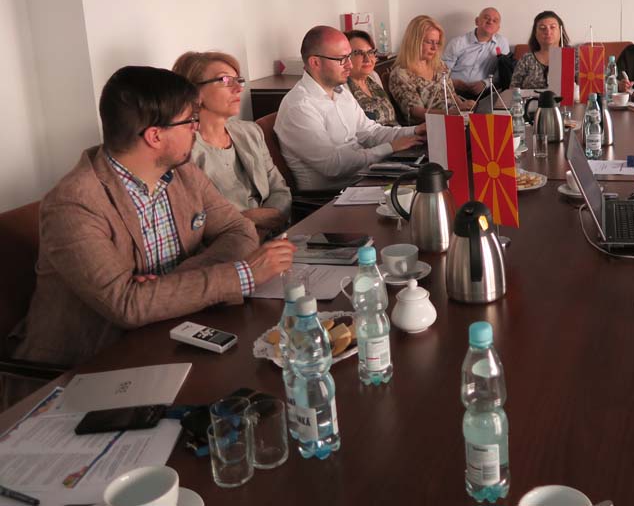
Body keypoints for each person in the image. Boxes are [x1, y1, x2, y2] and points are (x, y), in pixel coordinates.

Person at [10, 66, 296, 367]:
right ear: (155, 136)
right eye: (189, 121)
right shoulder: (73, 204)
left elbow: (239, 231)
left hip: (176, 332)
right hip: (92, 363)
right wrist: (242, 275)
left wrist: (164, 287)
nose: (196, 128)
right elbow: (127, 305)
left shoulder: (183, 172)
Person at [276, 26, 424, 190]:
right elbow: (333, 166)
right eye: (342, 59)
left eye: (349, 57)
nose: (349, 65)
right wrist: (390, 148)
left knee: (428, 175)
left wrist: (415, 131)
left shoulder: (340, 92)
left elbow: (370, 132)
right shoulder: (299, 106)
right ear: (315, 62)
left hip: (363, 179)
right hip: (330, 197)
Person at [172, 51, 291, 238]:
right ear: (194, 92)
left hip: (275, 235)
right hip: (226, 245)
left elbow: (279, 190)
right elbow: (196, 219)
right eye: (225, 80)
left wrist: (269, 220)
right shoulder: (182, 152)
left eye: (239, 80)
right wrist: (248, 223)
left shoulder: (250, 132)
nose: (238, 89)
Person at [388, 15, 475, 124]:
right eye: (429, 42)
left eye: (437, 42)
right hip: (430, 127)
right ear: (414, 41)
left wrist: (464, 107)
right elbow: (416, 113)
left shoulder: (439, 65)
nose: (434, 48)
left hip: (456, 120)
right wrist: (453, 113)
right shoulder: (400, 74)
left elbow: (452, 95)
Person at [442, 7, 511, 98]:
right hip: (453, 91)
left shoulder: (502, 43)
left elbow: (503, 73)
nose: (490, 22)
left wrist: (485, 83)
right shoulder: (458, 42)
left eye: (495, 21)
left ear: (498, 28)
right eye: (486, 18)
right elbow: (442, 71)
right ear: (477, 21)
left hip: (485, 94)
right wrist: (452, 83)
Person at [345, 30, 400, 126]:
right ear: (345, 57)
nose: (367, 59)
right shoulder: (343, 87)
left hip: (397, 131)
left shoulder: (373, 76)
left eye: (370, 52)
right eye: (359, 53)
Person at [510, 10, 575, 90]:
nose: (548, 31)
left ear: (561, 31)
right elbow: (513, 89)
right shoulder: (526, 59)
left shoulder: (573, 56)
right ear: (535, 33)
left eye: (552, 27)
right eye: (542, 28)